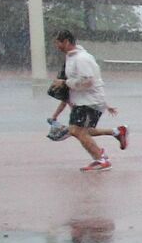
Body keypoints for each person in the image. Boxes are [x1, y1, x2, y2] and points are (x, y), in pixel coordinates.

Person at [52, 30, 129, 171]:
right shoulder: (72, 57)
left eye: (58, 43)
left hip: (89, 102)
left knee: (77, 131)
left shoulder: (81, 59)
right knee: (86, 131)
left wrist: (65, 83)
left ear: (67, 42)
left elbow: (88, 81)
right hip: (83, 101)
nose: (57, 46)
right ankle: (116, 133)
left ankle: (101, 159)